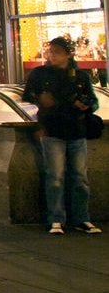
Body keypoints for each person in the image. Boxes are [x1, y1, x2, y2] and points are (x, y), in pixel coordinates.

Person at [23, 37, 101, 234]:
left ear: (67, 54)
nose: (52, 55)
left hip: (76, 130)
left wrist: (85, 105)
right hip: (52, 129)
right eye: (50, 51)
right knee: (55, 177)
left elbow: (93, 101)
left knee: (80, 178)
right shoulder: (40, 74)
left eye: (57, 51)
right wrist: (40, 99)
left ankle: (81, 218)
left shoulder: (79, 76)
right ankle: (56, 218)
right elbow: (27, 95)